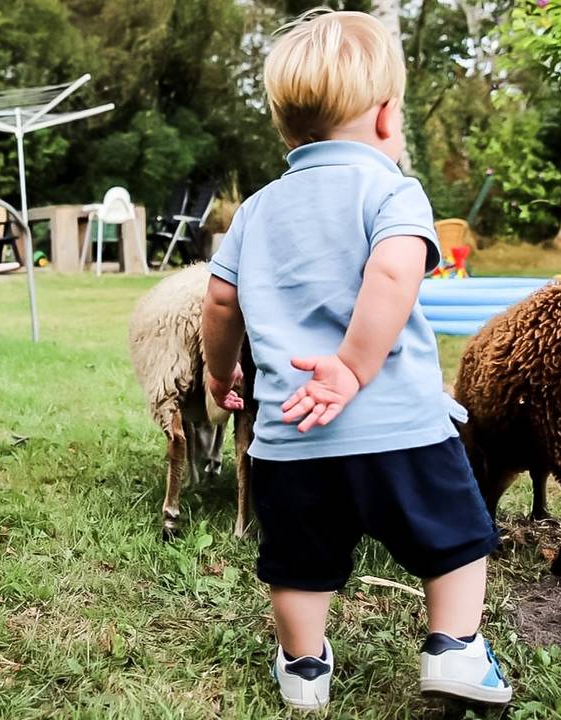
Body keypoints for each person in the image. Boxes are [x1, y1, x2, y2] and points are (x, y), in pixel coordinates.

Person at [200, 8, 512, 712]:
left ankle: (305, 669)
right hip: (400, 427)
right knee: (457, 540)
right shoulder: (393, 190)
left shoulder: (255, 210)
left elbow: (219, 303)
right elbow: (396, 272)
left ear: (286, 129)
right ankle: (456, 650)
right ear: (386, 118)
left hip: (290, 436)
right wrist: (353, 367)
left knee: (299, 564)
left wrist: (221, 375)